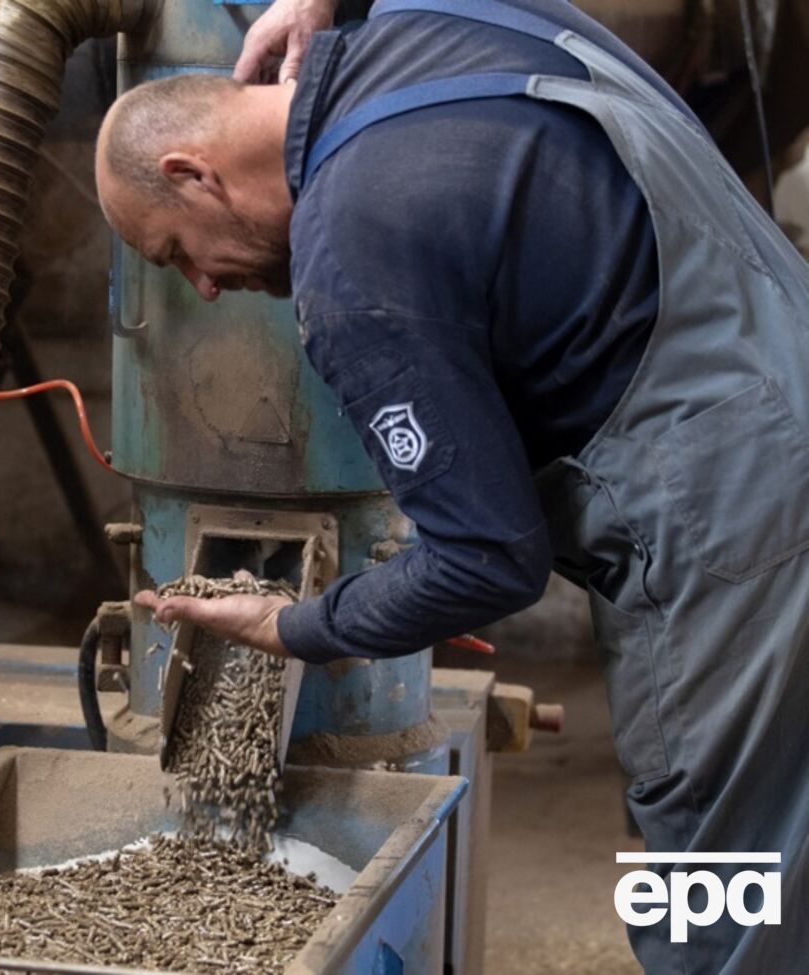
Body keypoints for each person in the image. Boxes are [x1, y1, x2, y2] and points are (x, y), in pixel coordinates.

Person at [95, 0, 809, 972]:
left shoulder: (349, 263)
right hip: (779, 366)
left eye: (175, 254)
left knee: (717, 888)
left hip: (738, 524)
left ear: (192, 175)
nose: (204, 288)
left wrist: (295, 626)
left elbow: (487, 558)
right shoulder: (432, 16)